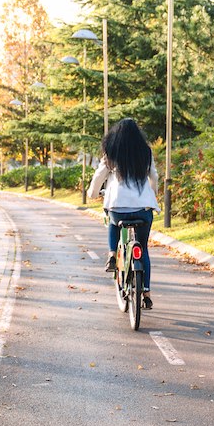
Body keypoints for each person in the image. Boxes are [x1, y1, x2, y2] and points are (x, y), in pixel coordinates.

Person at [88, 118, 160, 309]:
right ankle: (146, 291)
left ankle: (112, 254)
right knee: (143, 248)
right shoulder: (146, 152)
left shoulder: (111, 152)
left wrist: (92, 193)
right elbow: (153, 176)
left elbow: (99, 177)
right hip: (144, 209)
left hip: (118, 208)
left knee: (112, 223)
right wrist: (154, 193)